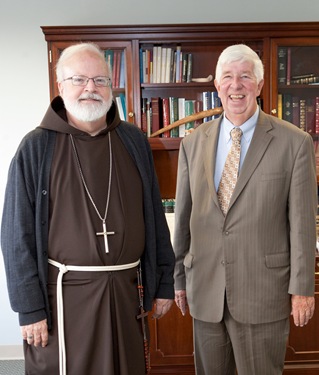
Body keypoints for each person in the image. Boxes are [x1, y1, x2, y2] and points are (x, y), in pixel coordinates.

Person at [1, 42, 175, 375]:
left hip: (126, 294)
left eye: (100, 80)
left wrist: (164, 282)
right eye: (79, 79)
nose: (90, 88)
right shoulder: (37, 147)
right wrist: (29, 309)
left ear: (112, 86)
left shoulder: (133, 141)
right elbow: (15, 234)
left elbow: (153, 217)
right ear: (60, 85)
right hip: (64, 301)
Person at [173, 44, 317, 375]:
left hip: (262, 292)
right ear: (217, 86)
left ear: (260, 84)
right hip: (206, 290)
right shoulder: (193, 143)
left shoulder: (294, 143)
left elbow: (302, 225)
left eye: (245, 77)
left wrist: (302, 291)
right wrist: (178, 278)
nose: (236, 85)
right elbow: (184, 219)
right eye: (227, 77)